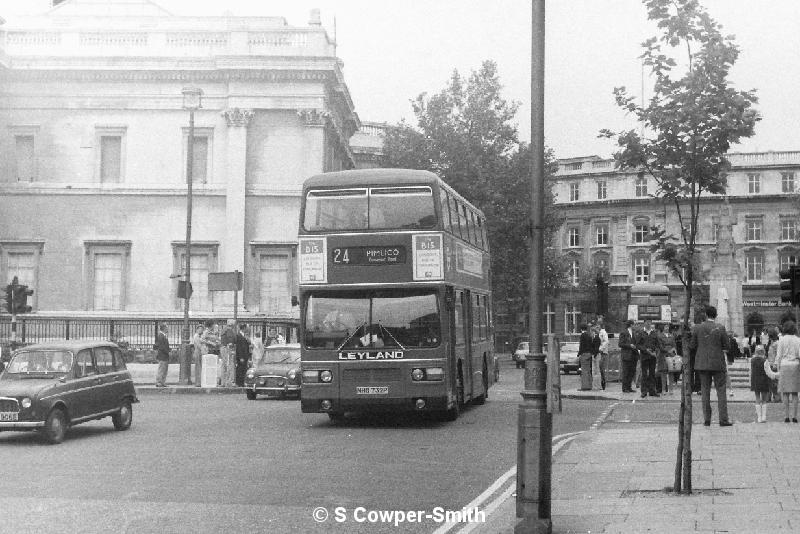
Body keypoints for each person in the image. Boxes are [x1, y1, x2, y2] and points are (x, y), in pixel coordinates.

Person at [689, 305, 732, 427]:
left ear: (706, 315)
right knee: (721, 391)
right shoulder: (720, 328)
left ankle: (707, 419)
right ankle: (723, 419)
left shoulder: (698, 328)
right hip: (718, 363)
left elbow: (692, 345)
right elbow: (727, 346)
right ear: (716, 315)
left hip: (702, 363)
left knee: (705, 391)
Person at [765, 321, 800, 423]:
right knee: (794, 392)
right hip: (795, 366)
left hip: (784, 365)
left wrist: (776, 365)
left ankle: (786, 416)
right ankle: (795, 416)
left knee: (785, 392)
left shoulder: (782, 340)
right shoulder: (798, 340)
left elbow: (779, 355)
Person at [638, 319, 660, 398]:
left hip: (652, 357)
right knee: (644, 374)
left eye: (649, 323)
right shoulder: (641, 333)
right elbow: (638, 345)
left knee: (652, 374)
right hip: (644, 356)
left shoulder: (654, 333)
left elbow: (658, 345)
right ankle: (643, 391)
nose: (648, 324)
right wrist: (645, 349)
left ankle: (652, 391)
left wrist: (656, 352)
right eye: (647, 323)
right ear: (644, 323)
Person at [750, 345, 771, 423]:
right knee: (764, 399)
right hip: (764, 380)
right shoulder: (765, 360)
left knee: (757, 398)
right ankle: (764, 417)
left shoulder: (752, 360)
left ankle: (759, 417)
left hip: (755, 380)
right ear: (763, 352)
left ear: (755, 352)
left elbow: (751, 371)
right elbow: (768, 372)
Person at [619, 319, 639, 393]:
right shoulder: (623, 332)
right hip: (626, 355)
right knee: (626, 372)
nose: (636, 326)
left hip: (633, 356)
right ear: (631, 325)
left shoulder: (634, 333)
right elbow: (620, 344)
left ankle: (629, 387)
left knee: (632, 372)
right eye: (635, 324)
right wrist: (629, 345)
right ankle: (625, 388)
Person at [656, 323, 675, 395]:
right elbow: (660, 346)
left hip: (671, 355)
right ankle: (663, 389)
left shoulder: (672, 336)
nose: (667, 328)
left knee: (671, 372)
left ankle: (671, 389)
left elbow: (674, 345)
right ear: (663, 328)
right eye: (665, 327)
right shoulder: (660, 336)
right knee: (663, 373)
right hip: (663, 355)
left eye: (668, 327)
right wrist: (667, 350)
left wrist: (673, 351)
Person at [220, 319, 237, 387]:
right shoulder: (229, 330)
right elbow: (231, 341)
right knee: (229, 365)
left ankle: (223, 382)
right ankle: (229, 381)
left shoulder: (224, 330)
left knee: (224, 365)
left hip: (224, 348)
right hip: (228, 349)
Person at [765, 328, 781, 403]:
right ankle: (768, 397)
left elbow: (778, 355)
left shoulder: (777, 343)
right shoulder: (770, 343)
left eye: (768, 335)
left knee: (774, 382)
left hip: (774, 365)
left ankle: (777, 397)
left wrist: (775, 364)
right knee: (769, 382)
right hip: (769, 364)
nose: (767, 336)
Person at [577, 323, 594, 391]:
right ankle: (589, 385)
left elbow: (581, 346)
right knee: (588, 370)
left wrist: (579, 354)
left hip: (584, 354)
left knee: (584, 371)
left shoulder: (582, 335)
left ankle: (585, 386)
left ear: (581, 329)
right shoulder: (589, 335)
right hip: (589, 353)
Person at [154, 323, 170, 388]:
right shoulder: (161, 335)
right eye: (167, 327)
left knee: (164, 369)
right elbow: (162, 347)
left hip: (164, 355)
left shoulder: (163, 335)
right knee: (162, 369)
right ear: (164, 328)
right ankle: (159, 382)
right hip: (163, 355)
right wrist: (167, 351)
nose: (168, 329)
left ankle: (162, 382)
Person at [595, 319, 609, 390]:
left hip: (602, 353)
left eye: (598, 326)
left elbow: (606, 341)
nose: (597, 327)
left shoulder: (603, 332)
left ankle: (603, 383)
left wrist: (600, 349)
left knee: (601, 368)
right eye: (596, 326)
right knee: (599, 368)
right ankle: (600, 383)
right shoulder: (599, 333)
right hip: (599, 353)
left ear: (600, 326)